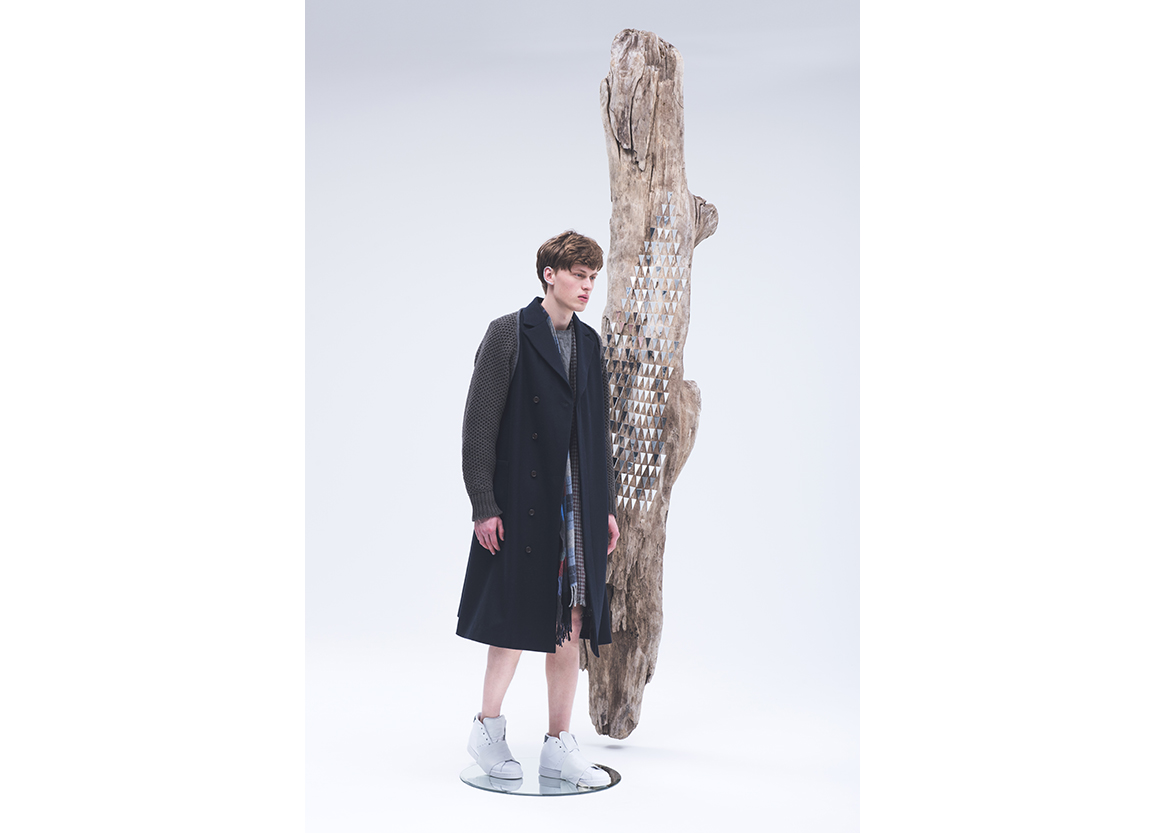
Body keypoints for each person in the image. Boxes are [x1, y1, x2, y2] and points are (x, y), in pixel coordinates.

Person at [457, 230, 620, 788]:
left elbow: (598, 433)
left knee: (572, 617)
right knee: (514, 618)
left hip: (577, 502)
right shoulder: (508, 333)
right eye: (579, 275)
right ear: (550, 275)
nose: (588, 286)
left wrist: (605, 507)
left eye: (593, 277)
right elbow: (478, 427)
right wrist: (483, 504)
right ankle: (487, 730)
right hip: (522, 502)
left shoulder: (590, 343)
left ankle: (558, 745)